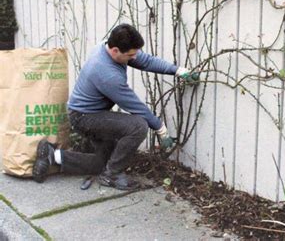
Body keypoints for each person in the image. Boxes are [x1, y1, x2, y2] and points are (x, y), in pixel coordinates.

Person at [32, 23, 199, 190]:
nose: (134, 58)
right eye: (131, 55)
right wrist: (160, 129)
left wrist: (178, 71)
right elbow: (135, 106)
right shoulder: (106, 73)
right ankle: (112, 175)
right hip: (84, 118)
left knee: (101, 163)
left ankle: (53, 155)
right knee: (138, 126)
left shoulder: (109, 46)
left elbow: (146, 61)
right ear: (115, 51)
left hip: (92, 113)